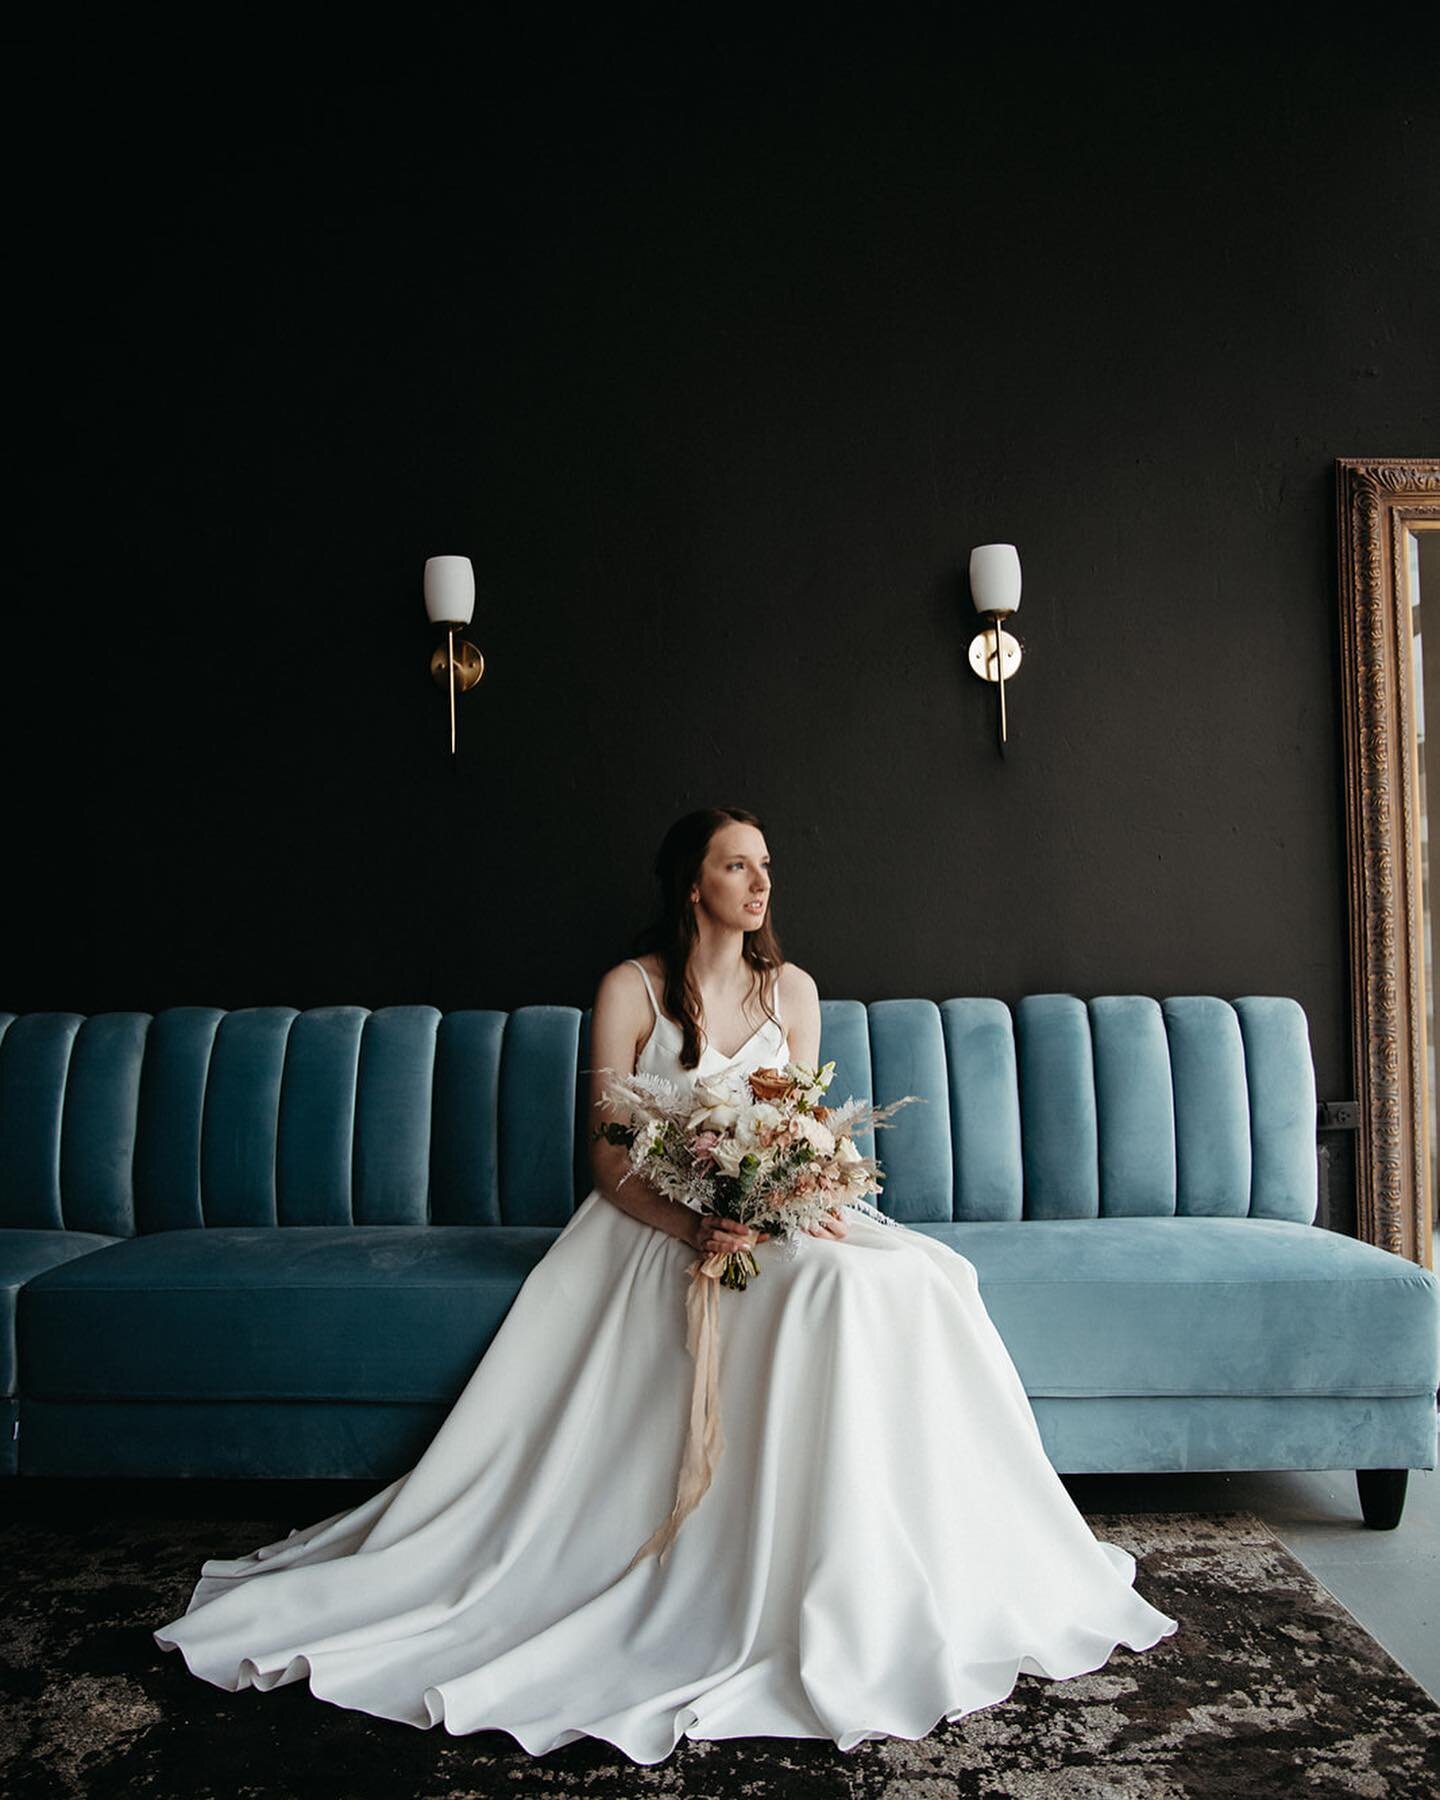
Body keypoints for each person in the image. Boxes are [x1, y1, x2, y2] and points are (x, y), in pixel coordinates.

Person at [153, 805, 1178, 1764]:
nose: (760, 881)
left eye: (767, 866)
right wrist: (699, 1220)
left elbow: (808, 1128)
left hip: (774, 1215)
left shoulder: (796, 992)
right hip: (657, 1225)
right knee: (839, 1296)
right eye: (739, 864)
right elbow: (606, 1161)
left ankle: (917, 1568)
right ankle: (774, 1578)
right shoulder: (629, 990)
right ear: (693, 884)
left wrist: (794, 1188)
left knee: (931, 1279)